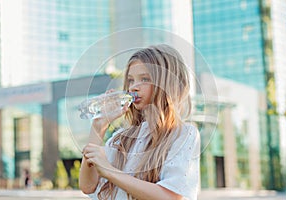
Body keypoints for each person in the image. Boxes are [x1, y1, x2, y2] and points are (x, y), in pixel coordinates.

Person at [79, 44, 200, 200]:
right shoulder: (121, 138)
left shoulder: (183, 134)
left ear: (167, 85)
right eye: (130, 80)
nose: (134, 87)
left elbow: (172, 197)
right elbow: (88, 186)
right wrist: (98, 126)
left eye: (144, 79)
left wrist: (110, 171)